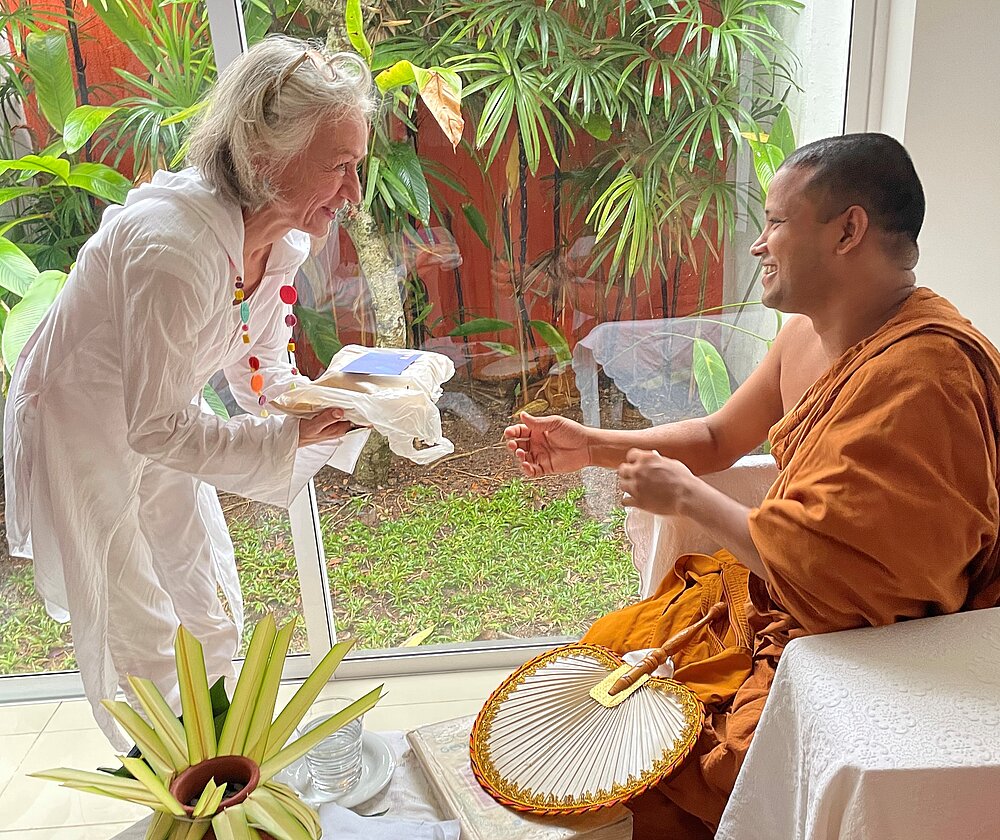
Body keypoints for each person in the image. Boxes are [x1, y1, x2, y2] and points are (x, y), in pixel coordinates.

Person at [504, 133, 1000, 838]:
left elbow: (869, 587)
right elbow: (715, 438)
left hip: (873, 640)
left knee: (690, 768)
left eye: (774, 222)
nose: (760, 245)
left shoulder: (927, 377)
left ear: (848, 230)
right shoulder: (806, 335)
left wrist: (686, 498)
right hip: (782, 593)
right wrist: (592, 447)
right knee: (614, 648)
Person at [3, 36, 376, 747]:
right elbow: (156, 430)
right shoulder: (174, 251)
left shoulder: (283, 241)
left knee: (204, 596)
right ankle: (182, 786)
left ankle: (222, 744)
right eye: (340, 167)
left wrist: (340, 400)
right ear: (264, 158)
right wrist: (285, 437)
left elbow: (259, 376)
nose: (354, 194)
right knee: (139, 621)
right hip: (84, 429)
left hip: (160, 410)